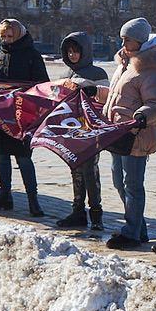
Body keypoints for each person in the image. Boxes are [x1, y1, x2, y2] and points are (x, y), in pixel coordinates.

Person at [103, 19, 156, 250]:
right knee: (119, 181)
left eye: (127, 38)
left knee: (133, 185)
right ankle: (139, 229)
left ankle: (131, 232)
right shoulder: (124, 65)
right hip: (117, 133)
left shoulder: (149, 69)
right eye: (122, 38)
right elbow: (116, 96)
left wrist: (140, 116)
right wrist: (95, 93)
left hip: (137, 135)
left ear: (139, 40)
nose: (123, 42)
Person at [0, 18, 48, 216]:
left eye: (9, 36)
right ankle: (5, 196)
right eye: (3, 36)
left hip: (22, 116)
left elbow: (42, 84)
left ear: (18, 34)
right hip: (0, 114)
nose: (6, 40)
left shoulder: (32, 55)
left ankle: (33, 200)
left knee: (23, 158)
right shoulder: (0, 54)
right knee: (2, 156)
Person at [57, 30, 108, 230]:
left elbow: (107, 98)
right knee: (75, 171)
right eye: (69, 52)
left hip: (90, 131)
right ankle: (77, 211)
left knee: (90, 171)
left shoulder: (97, 73)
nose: (72, 55)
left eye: (76, 51)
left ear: (85, 51)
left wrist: (92, 93)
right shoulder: (65, 74)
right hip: (71, 130)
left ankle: (96, 214)